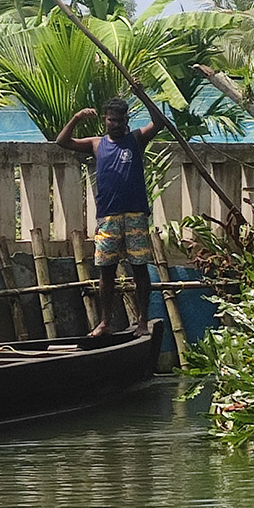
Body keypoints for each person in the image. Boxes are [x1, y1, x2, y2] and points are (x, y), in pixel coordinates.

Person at [55, 92, 167, 336]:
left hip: (135, 214)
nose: (115, 124)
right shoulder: (97, 144)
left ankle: (143, 321)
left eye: (120, 120)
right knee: (106, 270)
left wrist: (142, 95)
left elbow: (159, 121)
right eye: (111, 120)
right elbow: (62, 141)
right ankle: (105, 322)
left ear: (126, 120)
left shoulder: (135, 139)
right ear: (105, 120)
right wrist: (77, 117)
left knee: (139, 268)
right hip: (108, 217)